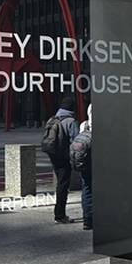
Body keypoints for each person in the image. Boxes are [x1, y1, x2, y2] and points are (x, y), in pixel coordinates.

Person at [41, 96, 79, 224]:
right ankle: (60, 215)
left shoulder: (53, 119)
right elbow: (76, 141)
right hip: (63, 156)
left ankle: (59, 213)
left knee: (60, 183)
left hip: (53, 154)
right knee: (63, 185)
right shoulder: (70, 121)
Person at [70, 103, 94, 230]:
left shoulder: (84, 125)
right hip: (96, 161)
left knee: (87, 190)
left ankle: (87, 219)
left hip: (84, 162)